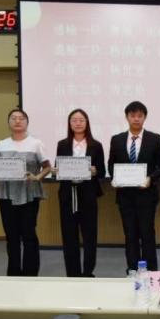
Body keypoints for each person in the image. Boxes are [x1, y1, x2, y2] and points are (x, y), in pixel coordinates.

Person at [0, 109, 51, 276]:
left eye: (21, 118)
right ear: (8, 122)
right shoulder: (1, 144)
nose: (17, 121)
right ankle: (13, 273)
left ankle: (30, 273)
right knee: (11, 235)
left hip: (29, 193)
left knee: (29, 234)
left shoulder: (36, 143)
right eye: (13, 118)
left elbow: (47, 167)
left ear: (27, 122)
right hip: (6, 194)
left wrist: (37, 177)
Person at [108, 101, 160, 272]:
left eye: (139, 115)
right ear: (127, 117)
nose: (136, 119)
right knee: (130, 234)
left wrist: (151, 179)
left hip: (146, 195)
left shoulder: (155, 139)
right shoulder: (117, 140)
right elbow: (111, 164)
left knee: (147, 234)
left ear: (144, 117)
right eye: (132, 115)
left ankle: (151, 271)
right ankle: (133, 270)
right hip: (125, 196)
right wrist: (115, 178)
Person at [54, 109, 105, 277]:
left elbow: (102, 172)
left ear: (87, 123)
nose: (78, 123)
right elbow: (58, 168)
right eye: (74, 120)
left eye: (81, 120)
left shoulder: (96, 145)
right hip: (68, 195)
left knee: (90, 236)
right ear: (69, 124)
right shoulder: (62, 144)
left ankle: (88, 272)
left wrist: (94, 170)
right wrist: (56, 171)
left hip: (88, 195)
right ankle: (72, 273)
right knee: (69, 236)